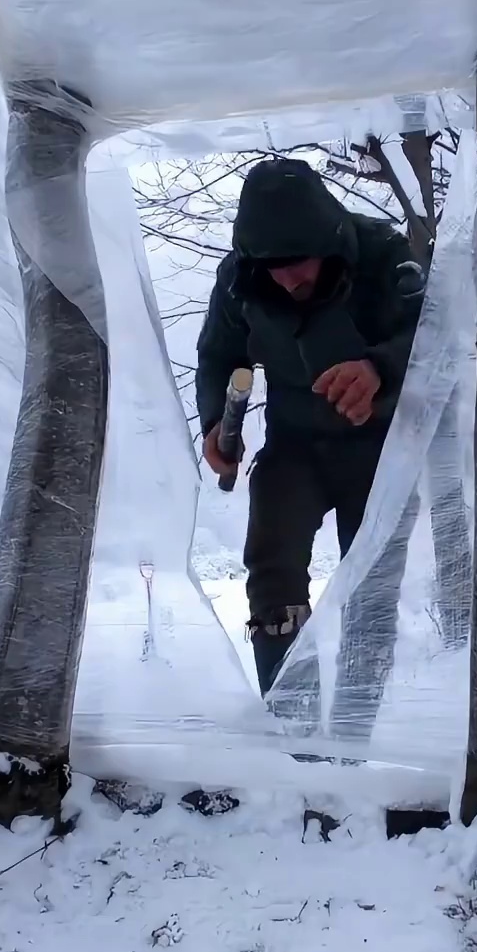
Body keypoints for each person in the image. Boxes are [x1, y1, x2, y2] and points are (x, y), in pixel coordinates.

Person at [194, 157, 423, 740]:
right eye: (274, 269)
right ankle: (290, 730)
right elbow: (219, 354)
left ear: (329, 241)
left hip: (380, 447)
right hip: (293, 443)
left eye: (299, 264)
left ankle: (356, 731)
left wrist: (379, 368)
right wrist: (216, 422)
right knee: (271, 566)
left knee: (371, 582)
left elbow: (437, 335)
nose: (288, 281)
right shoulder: (240, 278)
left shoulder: (385, 255)